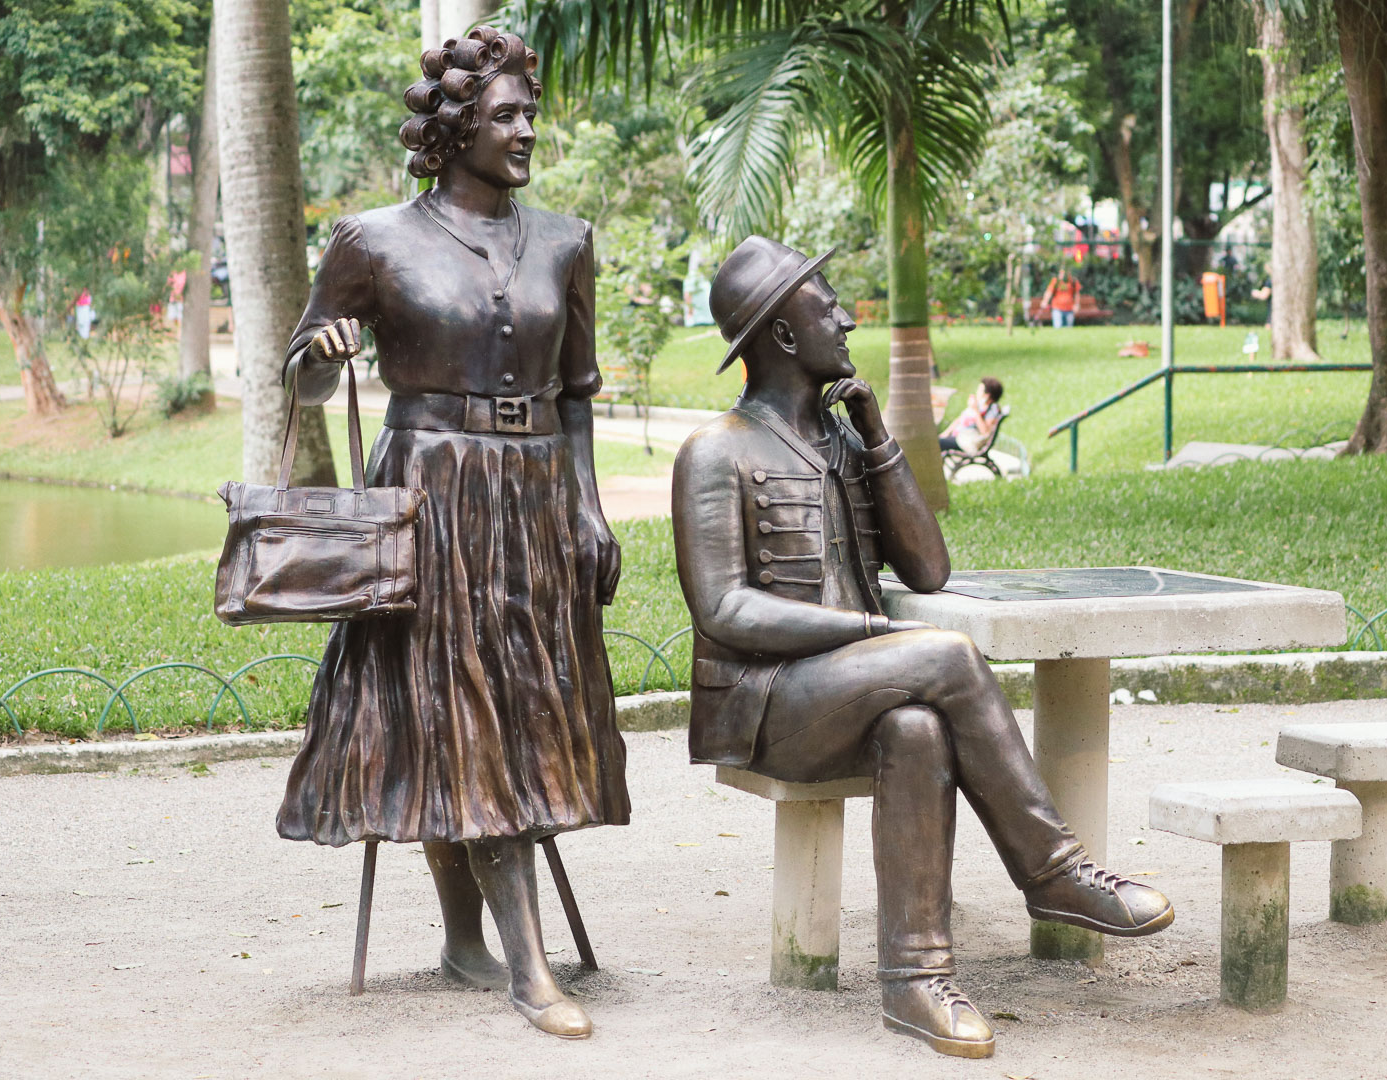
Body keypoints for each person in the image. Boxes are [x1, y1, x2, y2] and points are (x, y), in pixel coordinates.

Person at [672, 236, 1173, 1059]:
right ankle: (1054, 872)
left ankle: (915, 982)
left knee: (917, 729)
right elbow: (726, 610)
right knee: (944, 655)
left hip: (859, 691)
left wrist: (877, 438)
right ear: (784, 334)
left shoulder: (844, 444)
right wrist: (876, 632)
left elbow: (928, 569)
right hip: (768, 704)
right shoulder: (715, 451)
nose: (845, 318)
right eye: (826, 304)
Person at [276, 27, 627, 1041]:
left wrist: (588, 504)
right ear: (458, 126)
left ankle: (466, 944)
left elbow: (575, 392)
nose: (527, 130)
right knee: (453, 707)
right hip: (430, 496)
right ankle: (526, 965)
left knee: (520, 710)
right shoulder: (371, 240)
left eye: (530, 114)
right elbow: (300, 379)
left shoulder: (565, 241)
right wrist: (322, 351)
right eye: (507, 114)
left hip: (535, 498)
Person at [938, 376, 1005, 452]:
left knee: (937, 443)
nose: (977, 392)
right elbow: (960, 419)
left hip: (965, 441)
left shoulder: (992, 410)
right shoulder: (980, 404)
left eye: (980, 390)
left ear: (987, 395)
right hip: (959, 436)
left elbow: (985, 432)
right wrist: (945, 433)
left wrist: (975, 410)